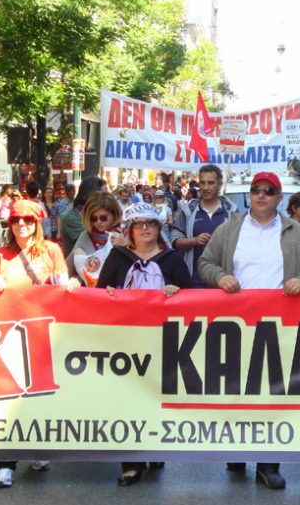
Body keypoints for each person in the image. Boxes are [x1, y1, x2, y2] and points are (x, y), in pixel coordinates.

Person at [198, 171, 300, 490]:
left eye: (269, 190)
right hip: (237, 324)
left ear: (280, 198)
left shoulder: (295, 232)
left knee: (274, 393)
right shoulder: (231, 228)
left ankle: (268, 463)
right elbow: (206, 263)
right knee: (238, 390)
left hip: (280, 324)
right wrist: (219, 277)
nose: (261, 194)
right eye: (256, 190)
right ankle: (237, 451)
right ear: (249, 196)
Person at [0, 200, 79, 488]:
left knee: (41, 397)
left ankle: (39, 450)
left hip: (43, 335)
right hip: (8, 338)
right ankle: (5, 464)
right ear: (9, 223)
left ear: (37, 222)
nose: (21, 224)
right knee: (7, 401)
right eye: (16, 220)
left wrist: (71, 285)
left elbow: (63, 283)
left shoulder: (51, 251)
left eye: (28, 219)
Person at [96, 203, 190, 486]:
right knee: (128, 398)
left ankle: (154, 447)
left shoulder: (173, 260)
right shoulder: (117, 257)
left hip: (163, 341)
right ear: (130, 230)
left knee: (156, 396)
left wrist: (177, 292)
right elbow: (100, 293)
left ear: (159, 228)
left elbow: (192, 298)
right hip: (126, 341)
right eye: (139, 224)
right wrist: (109, 292)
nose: (145, 228)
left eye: (150, 223)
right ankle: (132, 463)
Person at [171, 164, 237, 288]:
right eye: (202, 183)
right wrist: (194, 241)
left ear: (220, 185)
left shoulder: (232, 211)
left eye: (211, 183)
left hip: (225, 282)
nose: (206, 187)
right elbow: (174, 241)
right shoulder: (188, 211)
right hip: (194, 280)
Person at [67, 192, 126, 286]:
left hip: (118, 294)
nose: (98, 222)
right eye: (94, 218)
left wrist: (125, 246)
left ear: (114, 215)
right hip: (92, 295)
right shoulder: (85, 236)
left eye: (103, 218)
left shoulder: (125, 234)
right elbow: (68, 270)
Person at [60, 176, 106, 257]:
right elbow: (90, 241)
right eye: (101, 195)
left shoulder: (96, 214)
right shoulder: (71, 217)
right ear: (90, 194)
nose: (105, 199)